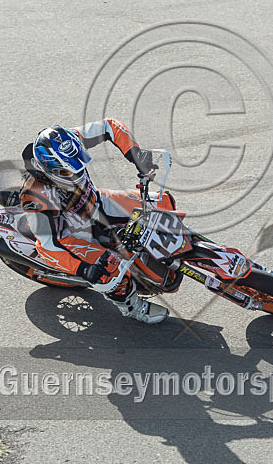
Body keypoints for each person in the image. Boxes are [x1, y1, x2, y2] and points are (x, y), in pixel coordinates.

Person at [16, 119, 170, 324]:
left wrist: (136, 154)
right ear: (50, 169)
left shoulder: (67, 142)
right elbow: (49, 245)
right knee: (110, 270)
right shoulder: (35, 196)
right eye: (70, 171)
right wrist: (83, 269)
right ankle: (132, 307)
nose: (78, 172)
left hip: (95, 201)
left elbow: (109, 126)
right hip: (70, 232)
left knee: (163, 202)